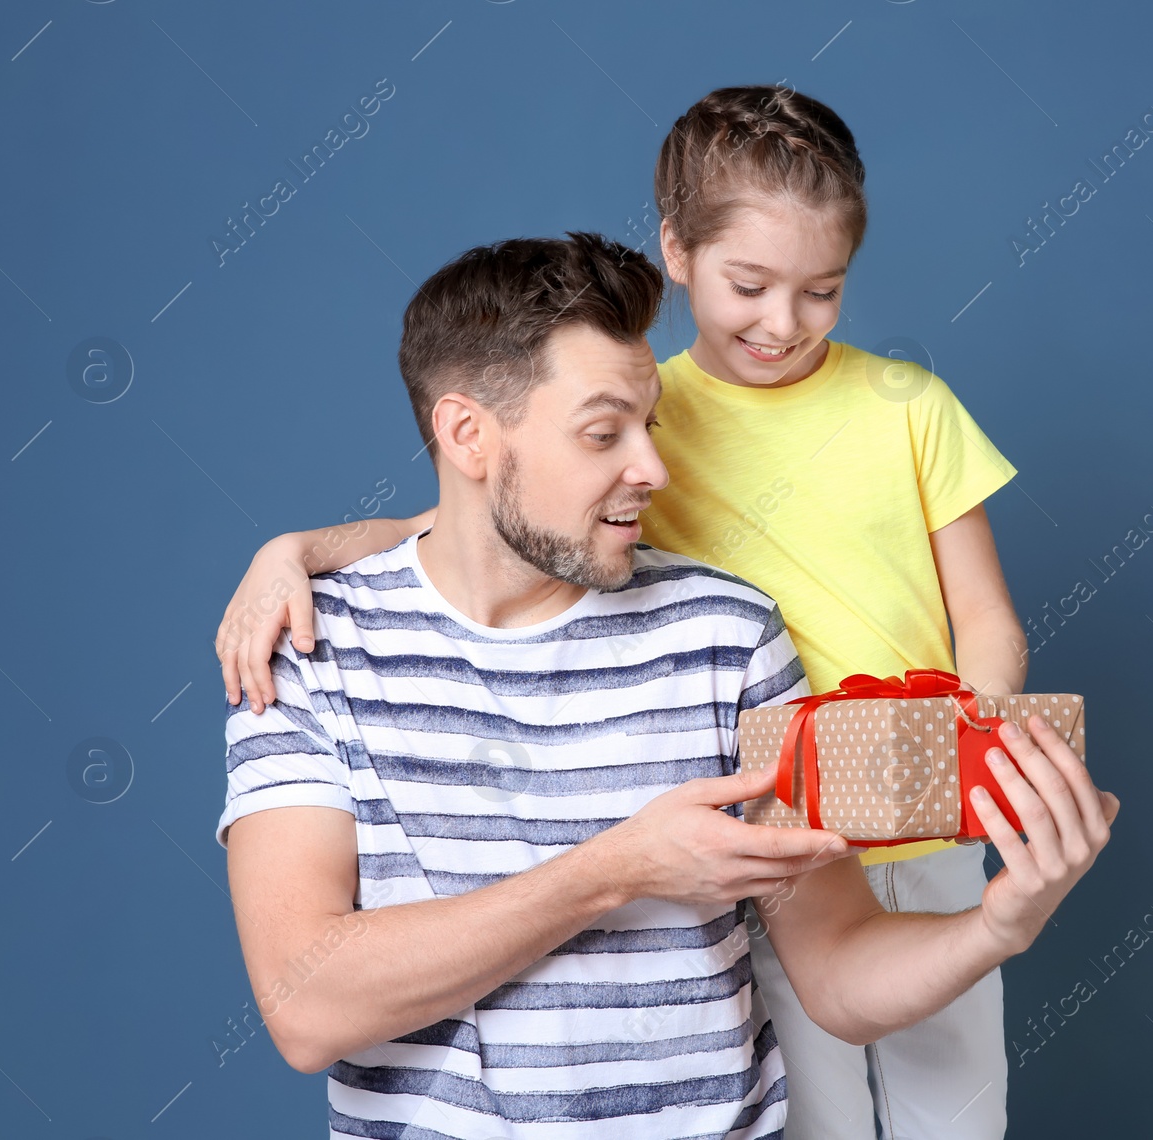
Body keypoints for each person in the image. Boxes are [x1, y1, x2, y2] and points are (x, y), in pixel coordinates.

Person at [216, 87, 1047, 1139]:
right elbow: (306, 1007)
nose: (655, 468)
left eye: (820, 290)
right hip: (746, 830)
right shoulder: (314, 645)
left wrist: (989, 857)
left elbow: (982, 628)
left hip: (899, 823)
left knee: (949, 1098)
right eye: (605, 434)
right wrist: (289, 552)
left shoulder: (741, 617)